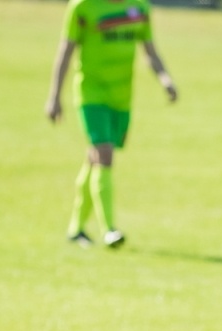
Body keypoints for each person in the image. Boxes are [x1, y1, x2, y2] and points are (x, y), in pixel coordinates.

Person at [45, 0, 178, 248]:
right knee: (104, 154)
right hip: (91, 95)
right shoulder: (83, 7)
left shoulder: (139, 8)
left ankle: (76, 229)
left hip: (121, 98)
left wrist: (165, 80)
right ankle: (109, 230)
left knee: (95, 158)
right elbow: (66, 50)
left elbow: (149, 50)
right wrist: (54, 97)